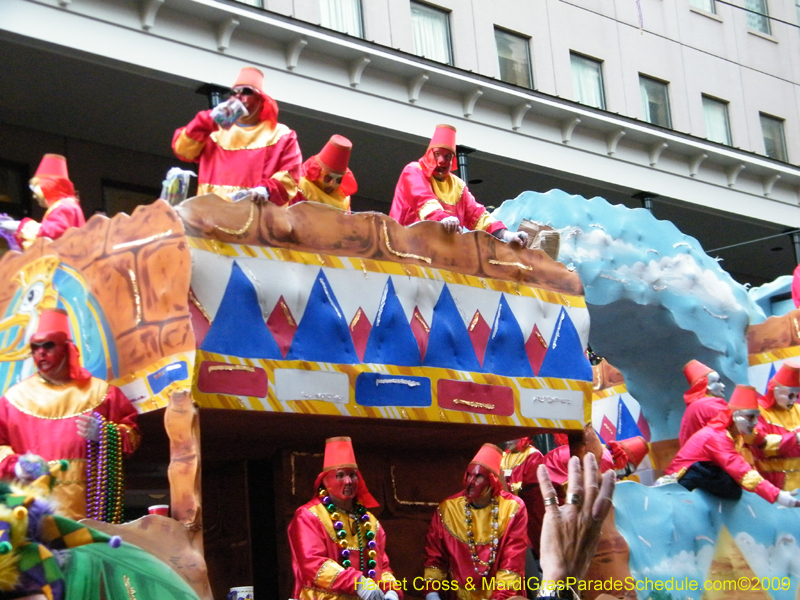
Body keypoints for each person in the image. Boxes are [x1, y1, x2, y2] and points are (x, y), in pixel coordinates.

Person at [0, 309, 140, 521]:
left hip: (92, 511)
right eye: (35, 348)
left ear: (66, 348)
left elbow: (132, 436)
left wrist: (105, 434)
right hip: (32, 513)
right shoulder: (13, 401)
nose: (41, 353)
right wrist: (17, 465)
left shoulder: (102, 394)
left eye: (48, 345)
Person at [288, 436, 402, 600]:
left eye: (353, 475)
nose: (348, 481)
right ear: (325, 481)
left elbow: (382, 567)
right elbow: (313, 563)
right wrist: (358, 583)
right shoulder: (308, 516)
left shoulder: (370, 522)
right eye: (340, 475)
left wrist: (391, 590)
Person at [172, 66, 302, 205]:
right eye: (234, 92)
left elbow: (290, 176)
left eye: (246, 91)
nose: (238, 96)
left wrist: (266, 191)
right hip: (210, 216)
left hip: (254, 218)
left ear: (260, 99)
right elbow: (183, 151)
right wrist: (207, 121)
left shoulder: (281, 135)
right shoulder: (214, 130)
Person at [663, 384, 800, 506]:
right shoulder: (716, 437)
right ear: (735, 415)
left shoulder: (736, 437)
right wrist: (777, 495)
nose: (755, 423)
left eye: (756, 418)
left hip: (704, 479)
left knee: (733, 488)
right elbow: (742, 472)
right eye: (750, 417)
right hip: (681, 486)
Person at [390, 125, 527, 245]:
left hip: (439, 253)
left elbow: (477, 215)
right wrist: (443, 218)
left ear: (452, 161)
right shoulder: (414, 170)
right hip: (404, 246)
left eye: (447, 157)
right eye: (437, 154)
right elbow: (423, 200)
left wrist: (506, 235)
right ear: (429, 154)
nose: (441, 161)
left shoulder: (457, 185)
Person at [423, 443, 528, 600]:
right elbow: (435, 559)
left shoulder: (512, 509)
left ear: (492, 481)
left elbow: (511, 565)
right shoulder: (448, 509)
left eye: (478, 477)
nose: (470, 482)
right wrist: (432, 593)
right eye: (469, 475)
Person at [0, 154, 86, 251]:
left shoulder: (64, 206)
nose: (34, 196)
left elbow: (51, 233)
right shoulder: (67, 205)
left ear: (48, 187)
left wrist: (16, 226)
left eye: (35, 189)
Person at [750, 362, 800, 490]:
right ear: (776, 391)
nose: (794, 400)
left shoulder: (798, 410)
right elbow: (760, 444)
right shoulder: (756, 411)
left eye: (797, 395)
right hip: (773, 484)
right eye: (790, 395)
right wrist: (796, 438)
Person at [501, 437, 545, 561]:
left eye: (511, 436)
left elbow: (532, 489)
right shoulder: (504, 456)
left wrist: (505, 486)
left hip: (526, 516)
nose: (507, 440)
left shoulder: (533, 456)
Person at [296, 135, 358, 212]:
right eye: (328, 178)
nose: (332, 184)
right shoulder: (301, 189)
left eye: (338, 180)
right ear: (316, 172)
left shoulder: (343, 201)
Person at [678, 359, 728, 447]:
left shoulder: (694, 406)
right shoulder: (710, 404)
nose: (723, 386)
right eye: (718, 382)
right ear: (706, 384)